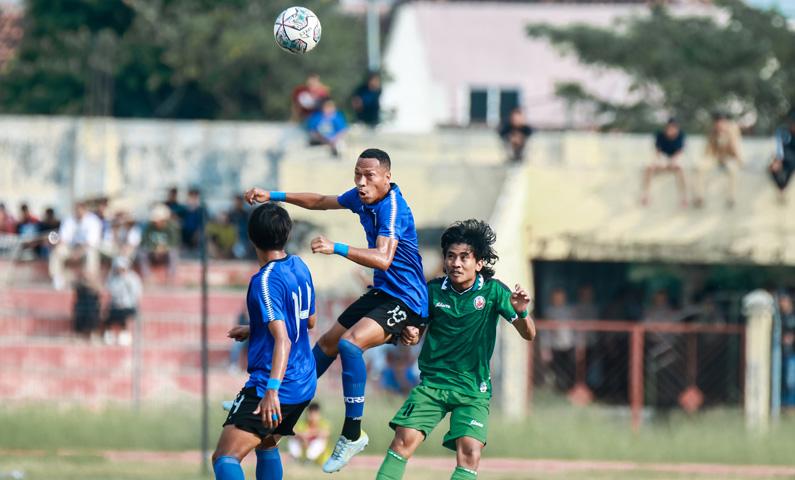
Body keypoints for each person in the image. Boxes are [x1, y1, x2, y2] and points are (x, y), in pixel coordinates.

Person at [244, 148, 428, 473]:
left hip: (407, 300)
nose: (361, 182)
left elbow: (384, 258)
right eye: (357, 174)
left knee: (349, 344)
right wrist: (272, 194)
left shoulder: (392, 209)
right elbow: (319, 201)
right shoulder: (362, 198)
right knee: (328, 343)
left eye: (369, 176)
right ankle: (275, 406)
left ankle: (352, 434)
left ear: (387, 177)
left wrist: (336, 248)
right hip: (384, 293)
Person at [375, 219, 535, 480]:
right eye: (451, 256)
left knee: (470, 452)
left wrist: (521, 312)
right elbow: (414, 334)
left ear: (479, 263)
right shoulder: (432, 291)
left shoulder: (494, 292)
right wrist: (410, 333)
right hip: (433, 385)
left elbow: (529, 334)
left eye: (464, 257)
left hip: (473, 389)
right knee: (402, 441)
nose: (456, 263)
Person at [212, 202, 318, 480]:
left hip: (275, 387)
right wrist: (255, 329)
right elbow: (308, 322)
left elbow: (282, 339)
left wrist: (272, 391)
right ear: (287, 234)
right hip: (304, 382)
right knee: (266, 442)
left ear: (251, 238)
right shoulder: (299, 265)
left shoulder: (264, 281)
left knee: (225, 458)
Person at [49, 202, 103, 291]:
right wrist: (56, 243)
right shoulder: (69, 220)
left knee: (91, 253)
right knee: (57, 251)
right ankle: (57, 277)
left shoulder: (93, 221)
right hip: (71, 248)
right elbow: (63, 239)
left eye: (79, 210)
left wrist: (78, 252)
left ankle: (90, 276)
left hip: (85, 249)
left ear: (85, 210)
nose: (77, 212)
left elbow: (91, 242)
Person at [693, 112, 743, 208]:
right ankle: (699, 196)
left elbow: (736, 148)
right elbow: (707, 150)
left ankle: (731, 198)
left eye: (722, 122)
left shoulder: (733, 129)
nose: (720, 125)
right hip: (715, 157)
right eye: (718, 122)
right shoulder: (712, 131)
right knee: (699, 168)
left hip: (729, 157)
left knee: (733, 169)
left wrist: (739, 160)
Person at [642, 118, 688, 207]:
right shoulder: (660, 135)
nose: (671, 130)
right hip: (663, 157)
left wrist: (673, 161)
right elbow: (658, 151)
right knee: (649, 168)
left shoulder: (681, 135)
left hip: (675, 158)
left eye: (673, 128)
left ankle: (683, 197)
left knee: (680, 169)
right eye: (669, 128)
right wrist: (659, 162)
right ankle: (646, 194)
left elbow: (680, 151)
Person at [539, 287, 576, 391]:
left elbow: (574, 329)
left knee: (570, 369)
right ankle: (560, 389)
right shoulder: (549, 312)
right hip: (556, 346)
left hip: (569, 345)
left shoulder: (569, 311)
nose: (559, 300)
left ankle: (569, 389)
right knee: (558, 370)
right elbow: (545, 332)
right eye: (556, 298)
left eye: (561, 297)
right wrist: (545, 348)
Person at [104, 256, 142, 346]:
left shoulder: (133, 278)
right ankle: (110, 334)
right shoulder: (111, 278)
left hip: (129, 305)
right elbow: (109, 293)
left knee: (124, 313)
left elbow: (136, 295)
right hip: (115, 305)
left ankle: (125, 333)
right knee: (108, 314)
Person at [137, 204, 180, 280]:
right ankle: (147, 276)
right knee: (141, 252)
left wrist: (164, 248)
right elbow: (145, 241)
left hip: (165, 253)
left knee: (173, 252)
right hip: (153, 253)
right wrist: (155, 248)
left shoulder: (172, 227)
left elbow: (174, 242)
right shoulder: (149, 227)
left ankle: (171, 276)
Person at [770, 109, 795, 204]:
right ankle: (781, 187)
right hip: (782, 156)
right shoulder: (782, 131)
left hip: (792, 160)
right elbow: (778, 146)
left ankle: (783, 186)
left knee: (792, 163)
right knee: (772, 168)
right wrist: (777, 160)